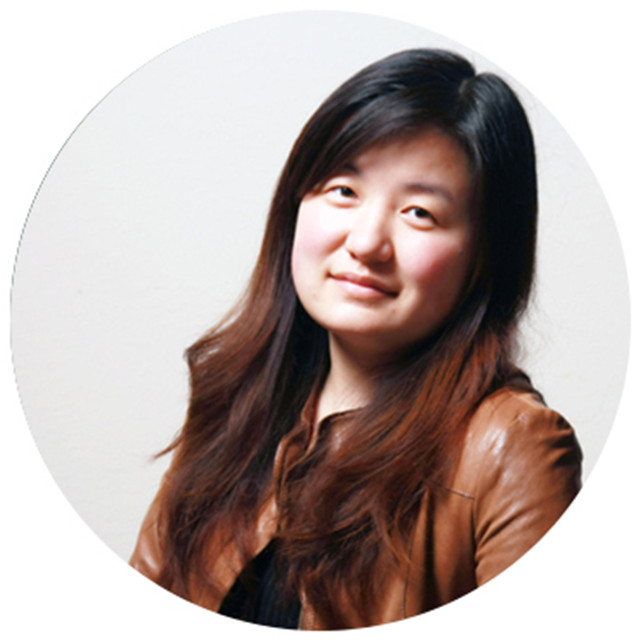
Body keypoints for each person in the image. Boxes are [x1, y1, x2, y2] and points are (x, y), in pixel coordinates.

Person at [129, 48, 582, 630]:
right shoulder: (234, 400)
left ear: (484, 256)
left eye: (419, 213)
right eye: (343, 190)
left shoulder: (512, 447)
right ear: (296, 204)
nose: (366, 242)